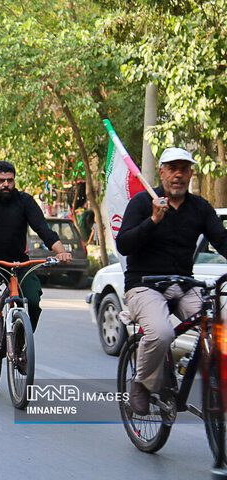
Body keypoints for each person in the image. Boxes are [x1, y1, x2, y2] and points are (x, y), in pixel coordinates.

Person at [116, 147, 227, 415]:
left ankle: (212, 379)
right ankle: (141, 384)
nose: (178, 175)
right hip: (144, 284)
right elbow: (123, 244)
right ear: (162, 172)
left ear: (190, 174)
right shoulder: (143, 202)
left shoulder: (200, 207)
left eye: (183, 169)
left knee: (218, 326)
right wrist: (153, 220)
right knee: (161, 333)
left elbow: (222, 240)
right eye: (172, 169)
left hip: (183, 284)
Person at [0, 161, 72, 345]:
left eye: (10, 180)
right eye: (0, 181)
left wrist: (62, 252)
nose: (6, 185)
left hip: (18, 262)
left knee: (33, 301)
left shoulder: (25, 201)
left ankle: (20, 343)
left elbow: (43, 229)